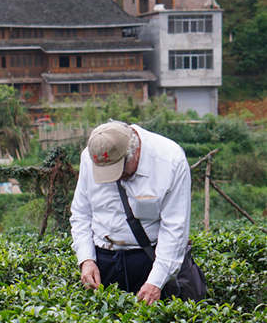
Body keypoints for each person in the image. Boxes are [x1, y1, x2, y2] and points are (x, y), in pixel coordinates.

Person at [69, 120, 191, 305]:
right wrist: (86, 259)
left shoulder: (170, 160)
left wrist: (155, 282)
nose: (115, 178)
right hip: (104, 260)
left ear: (135, 153)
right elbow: (81, 213)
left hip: (149, 260)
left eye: (119, 169)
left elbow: (175, 228)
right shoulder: (92, 156)